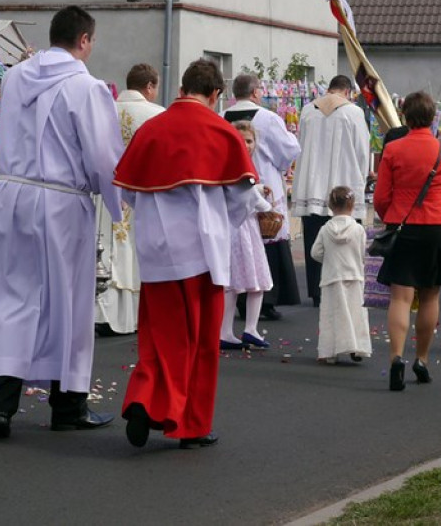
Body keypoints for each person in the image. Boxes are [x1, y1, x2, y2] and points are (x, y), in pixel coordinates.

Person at [0, 5, 124, 439]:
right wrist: (121, 202)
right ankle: (67, 407)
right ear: (84, 40)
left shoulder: (15, 77)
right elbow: (102, 156)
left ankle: (0, 408)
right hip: (59, 202)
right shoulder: (87, 88)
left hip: (9, 196)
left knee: (9, 299)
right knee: (67, 303)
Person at [113, 58, 260, 449]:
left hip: (156, 253)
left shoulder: (151, 129)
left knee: (160, 336)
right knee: (200, 343)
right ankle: (191, 426)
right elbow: (242, 198)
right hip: (202, 253)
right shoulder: (221, 131)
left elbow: (128, 192)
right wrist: (222, 224)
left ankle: (143, 399)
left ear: (181, 88)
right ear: (216, 94)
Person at [374, 91, 441, 389]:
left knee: (400, 297)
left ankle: (395, 357)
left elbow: (381, 197)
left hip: (403, 225)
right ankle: (421, 359)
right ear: (433, 117)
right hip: (437, 226)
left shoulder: (393, 149)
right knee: (430, 296)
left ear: (405, 117)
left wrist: (391, 216)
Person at [222, 73, 301, 319]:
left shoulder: (221, 117)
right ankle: (266, 300)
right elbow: (289, 150)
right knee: (266, 239)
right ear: (256, 92)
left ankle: (238, 298)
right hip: (264, 185)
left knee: (239, 244)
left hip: (233, 190)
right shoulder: (268, 118)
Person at [95, 63, 165, 336]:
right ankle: (128, 315)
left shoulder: (105, 111)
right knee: (131, 251)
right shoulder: (157, 114)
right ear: (149, 86)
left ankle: (100, 311)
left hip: (105, 190)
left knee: (103, 248)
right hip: (138, 192)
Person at [291, 75, 371, 307]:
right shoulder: (354, 113)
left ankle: (317, 292)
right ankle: (341, 288)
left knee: (314, 239)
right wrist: (362, 177)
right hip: (343, 184)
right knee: (343, 240)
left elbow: (301, 146)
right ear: (347, 92)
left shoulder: (308, 111)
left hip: (313, 186)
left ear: (330, 89)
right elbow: (362, 150)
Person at [219, 121, 275, 350]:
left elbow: (247, 190)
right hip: (239, 226)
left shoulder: (239, 163)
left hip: (244, 226)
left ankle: (243, 329)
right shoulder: (235, 163)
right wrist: (267, 207)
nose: (247, 145)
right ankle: (232, 330)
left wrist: (259, 191)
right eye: (242, 140)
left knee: (249, 280)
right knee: (239, 280)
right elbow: (245, 194)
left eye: (250, 141)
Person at [310, 186, 372, 364]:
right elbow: (364, 252)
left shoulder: (325, 229)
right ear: (352, 205)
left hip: (332, 276)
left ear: (330, 206)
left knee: (332, 315)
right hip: (355, 276)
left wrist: (328, 259)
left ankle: (330, 352)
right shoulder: (358, 229)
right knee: (356, 314)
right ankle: (357, 347)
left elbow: (315, 252)